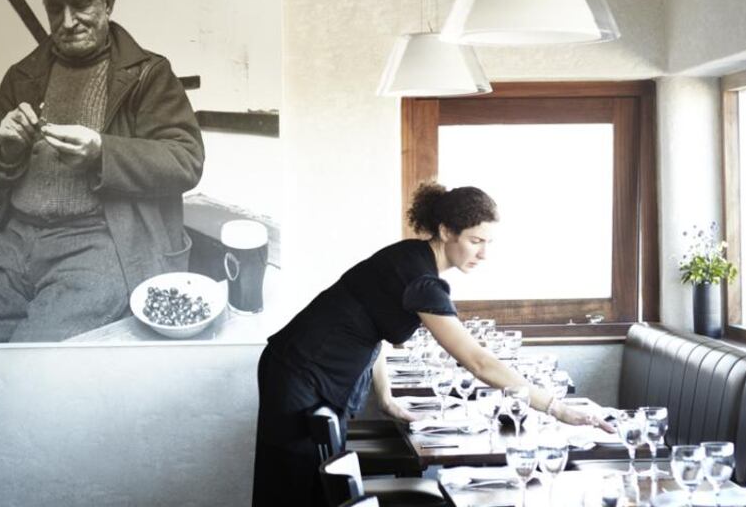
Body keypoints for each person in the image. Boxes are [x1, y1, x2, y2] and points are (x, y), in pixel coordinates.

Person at [252, 182, 612, 507]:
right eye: (475, 240)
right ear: (445, 232)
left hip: (305, 369)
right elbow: (477, 361)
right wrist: (556, 408)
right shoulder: (420, 279)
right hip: (300, 372)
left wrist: (387, 397)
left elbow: (372, 331)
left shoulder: (411, 258)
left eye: (489, 242)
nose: (484, 253)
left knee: (310, 490)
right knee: (290, 490)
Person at [0, 0, 205, 343]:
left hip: (98, 244)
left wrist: (102, 152)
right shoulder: (23, 75)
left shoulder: (149, 74)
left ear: (108, 3)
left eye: (80, 5)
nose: (67, 22)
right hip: (15, 244)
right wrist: (8, 146)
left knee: (36, 357)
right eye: (55, 10)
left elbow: (186, 160)